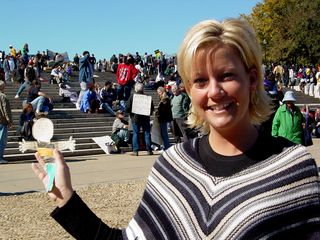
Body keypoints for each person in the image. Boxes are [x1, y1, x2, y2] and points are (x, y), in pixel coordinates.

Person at [32, 18, 320, 239]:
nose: (215, 91)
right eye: (200, 81)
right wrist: (67, 199)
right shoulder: (173, 165)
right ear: (189, 89)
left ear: (252, 79)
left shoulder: (292, 168)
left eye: (227, 75)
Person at [125, 82, 154, 156]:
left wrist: (131, 114)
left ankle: (135, 150)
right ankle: (149, 150)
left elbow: (127, 107)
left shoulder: (133, 96)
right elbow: (152, 108)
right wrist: (148, 113)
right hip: (145, 117)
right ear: (142, 88)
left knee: (135, 133)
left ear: (136, 89)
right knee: (147, 133)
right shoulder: (147, 97)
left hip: (135, 118)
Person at [0, 81, 13, 164]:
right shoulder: (3, 96)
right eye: (3, 86)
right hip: (2, 121)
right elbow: (6, 109)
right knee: (1, 140)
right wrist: (9, 120)